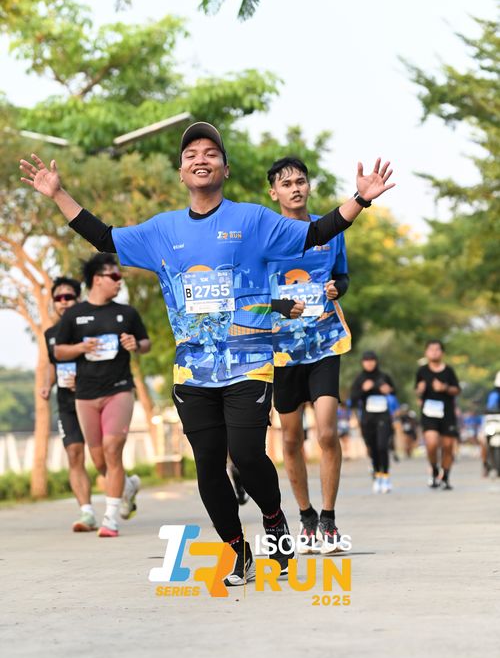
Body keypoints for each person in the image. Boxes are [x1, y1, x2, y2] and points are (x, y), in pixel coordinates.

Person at [20, 122, 394, 584]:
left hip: (249, 362)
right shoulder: (162, 230)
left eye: (211, 153)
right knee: (209, 468)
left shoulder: (253, 221)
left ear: (225, 169)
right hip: (192, 371)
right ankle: (238, 550)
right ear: (181, 172)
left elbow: (316, 231)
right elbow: (105, 237)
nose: (201, 158)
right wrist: (58, 194)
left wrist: (360, 199)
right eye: (191, 154)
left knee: (248, 455)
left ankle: (274, 519)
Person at [266, 156, 351, 555]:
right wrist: (283, 307)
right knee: (290, 438)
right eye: (286, 184)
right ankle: (306, 516)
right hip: (282, 351)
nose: (295, 188)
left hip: (325, 343)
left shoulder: (330, 231)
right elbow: (252, 293)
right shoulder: (265, 237)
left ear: (309, 186)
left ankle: (329, 519)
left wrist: (337, 289)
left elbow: (342, 276)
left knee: (327, 431)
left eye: (300, 181)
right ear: (274, 193)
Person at [54, 253, 151, 536]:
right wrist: (80, 348)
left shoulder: (127, 313)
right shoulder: (74, 315)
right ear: (98, 279)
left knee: (112, 448)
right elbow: (59, 351)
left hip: (119, 389)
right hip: (85, 394)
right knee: (98, 460)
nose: (119, 281)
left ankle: (110, 519)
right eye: (114, 276)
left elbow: (145, 343)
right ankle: (128, 486)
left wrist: (135, 344)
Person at [42, 276, 98, 532]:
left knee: (102, 456)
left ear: (78, 299)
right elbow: (52, 365)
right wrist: (47, 384)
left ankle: (125, 485)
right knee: (74, 453)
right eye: (58, 298)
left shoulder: (91, 326)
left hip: (94, 398)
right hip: (66, 403)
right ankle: (87, 512)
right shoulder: (50, 335)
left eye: (68, 297)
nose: (63, 302)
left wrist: (86, 378)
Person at [415, 340, 460, 490]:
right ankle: (434, 469)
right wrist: (420, 390)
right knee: (432, 443)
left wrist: (444, 388)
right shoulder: (422, 371)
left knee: (448, 446)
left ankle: (445, 477)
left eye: (437, 349)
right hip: (429, 413)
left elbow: (457, 390)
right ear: (426, 352)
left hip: (447, 412)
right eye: (431, 349)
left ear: (442, 353)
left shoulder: (449, 371)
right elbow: (417, 391)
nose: (434, 352)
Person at [351, 351, 396, 493]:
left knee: (383, 446)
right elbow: (353, 399)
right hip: (367, 419)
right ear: (362, 363)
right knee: (373, 448)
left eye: (372, 360)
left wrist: (388, 390)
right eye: (366, 360)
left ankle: (386, 477)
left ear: (376, 361)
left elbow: (394, 391)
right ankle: (377, 476)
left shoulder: (384, 376)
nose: (369, 363)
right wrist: (364, 390)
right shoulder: (360, 378)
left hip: (383, 416)